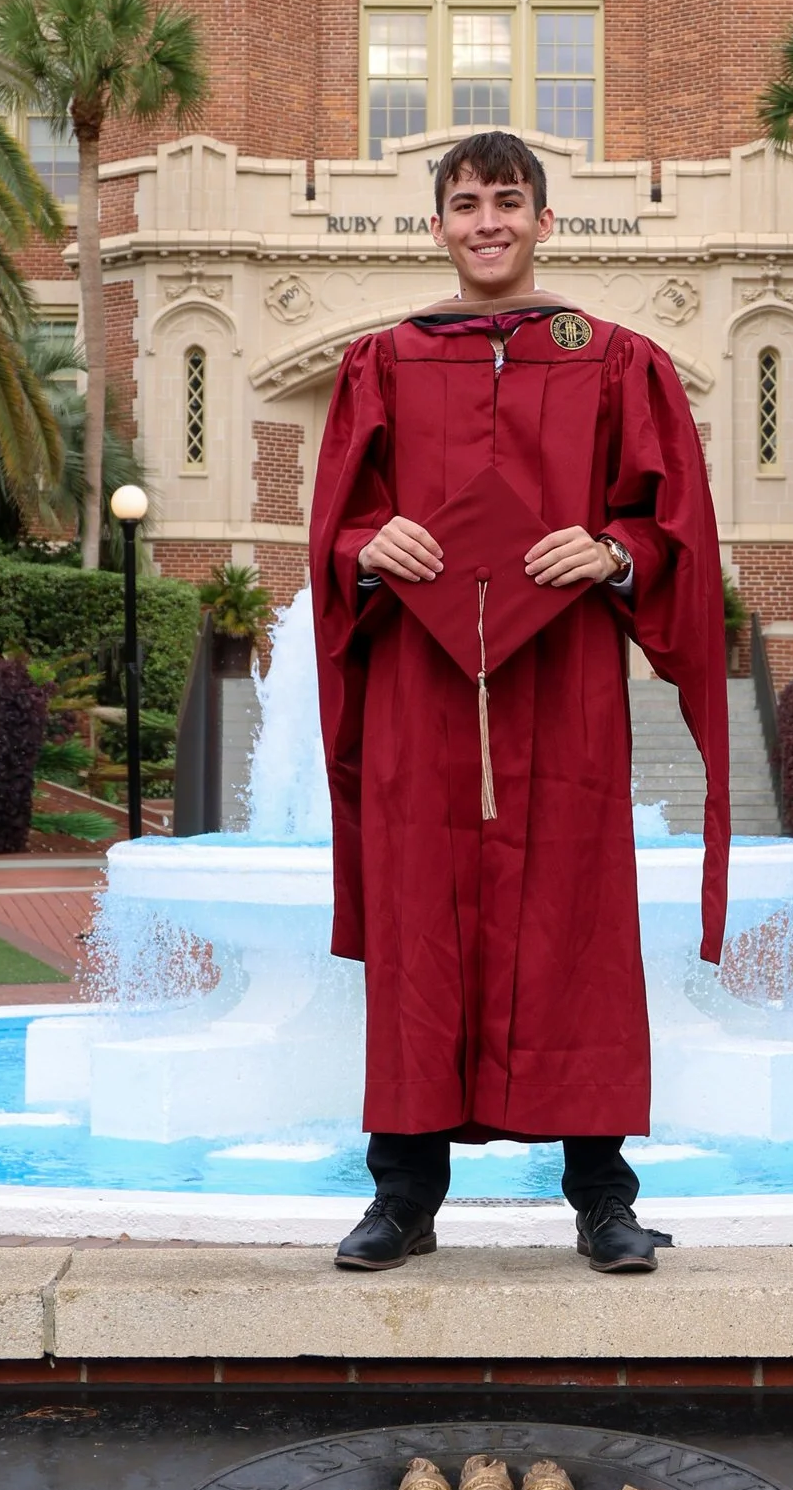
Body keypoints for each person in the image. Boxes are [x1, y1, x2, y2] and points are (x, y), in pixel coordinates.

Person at [309, 129, 730, 1273]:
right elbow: (335, 526)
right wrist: (364, 541)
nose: (486, 220)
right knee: (416, 926)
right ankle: (402, 1198)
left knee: (578, 926)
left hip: (563, 694)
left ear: (547, 220)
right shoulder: (383, 363)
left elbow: (672, 525)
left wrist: (613, 551)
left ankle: (602, 1197)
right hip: (420, 690)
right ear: (436, 226)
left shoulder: (616, 362)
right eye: (463, 203)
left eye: (507, 200)